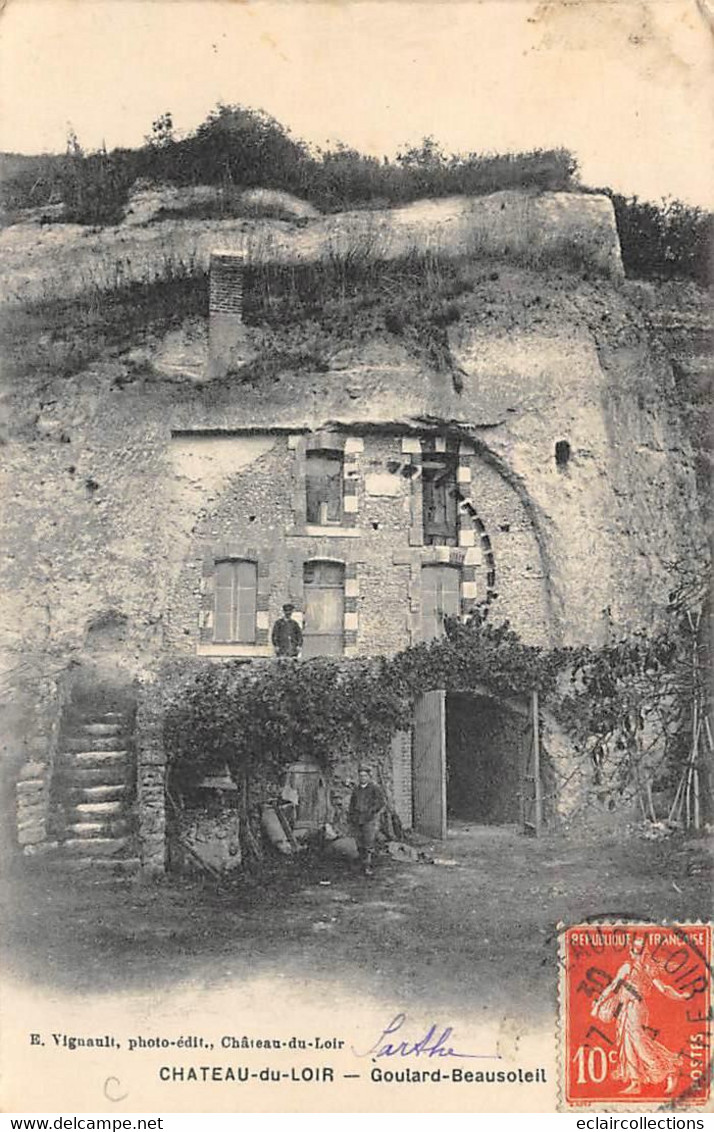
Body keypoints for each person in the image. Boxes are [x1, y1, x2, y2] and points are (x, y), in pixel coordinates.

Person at [590, 935, 687, 1096]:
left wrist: (679, 996)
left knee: (639, 1041)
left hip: (636, 1008)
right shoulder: (627, 967)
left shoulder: (648, 969)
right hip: (624, 1008)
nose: (638, 952)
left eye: (641, 949)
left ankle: (669, 1071)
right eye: (635, 948)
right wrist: (599, 1004)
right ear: (631, 950)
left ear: (645, 950)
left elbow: (663, 988)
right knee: (627, 1043)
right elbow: (613, 986)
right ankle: (635, 1082)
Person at [348, 764, 384, 876]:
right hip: (357, 819)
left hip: (368, 819)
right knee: (359, 842)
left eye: (365, 776)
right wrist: (352, 815)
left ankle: (368, 866)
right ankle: (361, 864)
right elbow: (352, 804)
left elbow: (380, 803)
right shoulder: (356, 789)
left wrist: (371, 811)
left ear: (369, 777)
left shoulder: (374, 788)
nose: (362, 778)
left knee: (369, 842)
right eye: (361, 776)